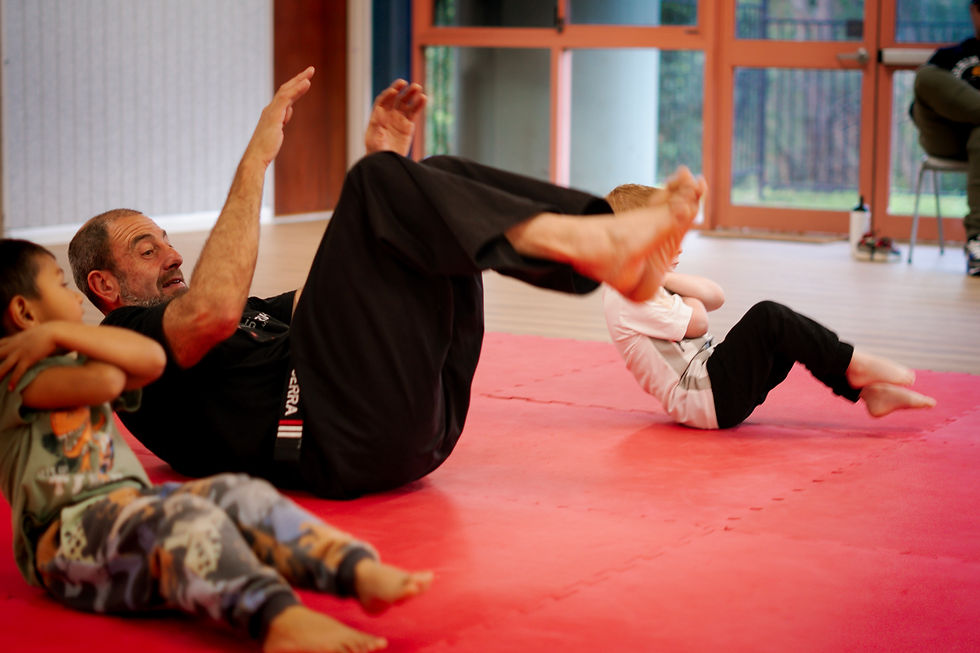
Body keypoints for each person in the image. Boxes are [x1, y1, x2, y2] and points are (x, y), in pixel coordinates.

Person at [65, 67, 704, 499]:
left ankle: (604, 242)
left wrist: (388, 169)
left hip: (415, 427)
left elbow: (337, 292)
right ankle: (599, 252)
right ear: (106, 285)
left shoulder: (244, 322)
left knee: (429, 175)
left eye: (167, 241)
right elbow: (211, 314)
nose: (173, 255)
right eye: (147, 250)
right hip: (332, 440)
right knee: (376, 191)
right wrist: (257, 161)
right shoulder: (125, 343)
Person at [0, 238, 433, 653]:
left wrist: (62, 339)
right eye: (59, 284)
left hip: (129, 508)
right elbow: (109, 380)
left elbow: (151, 360)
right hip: (68, 543)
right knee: (185, 522)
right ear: (24, 311)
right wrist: (66, 340)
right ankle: (277, 618)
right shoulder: (13, 380)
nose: (73, 298)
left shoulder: (70, 356)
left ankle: (350, 569)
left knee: (238, 493)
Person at [601, 184, 937, 429]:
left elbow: (715, 295)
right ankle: (854, 363)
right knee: (769, 317)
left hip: (713, 389)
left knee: (784, 334)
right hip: (705, 397)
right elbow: (699, 323)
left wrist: (667, 277)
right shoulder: (629, 294)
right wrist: (674, 286)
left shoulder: (649, 280)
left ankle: (866, 391)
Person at [910, 0, 980, 276]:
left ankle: (978, 240)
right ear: (974, 11)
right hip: (945, 137)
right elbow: (916, 110)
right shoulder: (948, 56)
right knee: (925, 77)